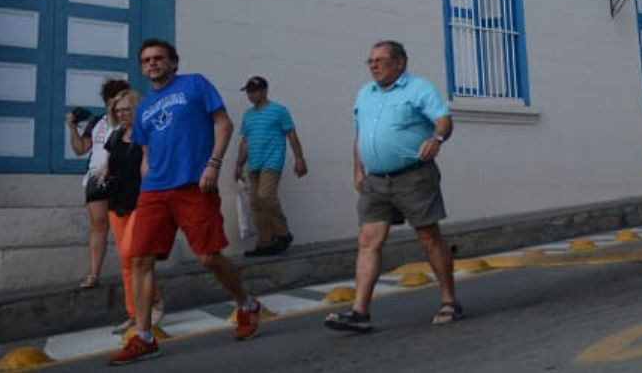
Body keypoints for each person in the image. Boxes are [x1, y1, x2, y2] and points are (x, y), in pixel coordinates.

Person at [107, 39, 262, 365]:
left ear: (173, 62)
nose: (152, 63)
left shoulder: (195, 84)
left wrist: (214, 164)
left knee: (208, 256)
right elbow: (146, 153)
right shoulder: (144, 108)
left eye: (159, 58)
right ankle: (144, 336)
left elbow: (224, 124)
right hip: (154, 191)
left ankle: (247, 304)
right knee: (140, 258)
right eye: (146, 60)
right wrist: (145, 186)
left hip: (194, 184)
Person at [324, 40, 462, 333]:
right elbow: (360, 136)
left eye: (380, 59)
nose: (373, 65)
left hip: (413, 176)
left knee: (428, 237)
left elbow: (444, 121)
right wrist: (358, 170)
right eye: (370, 61)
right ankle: (360, 312)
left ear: (399, 62)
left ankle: (449, 300)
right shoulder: (365, 93)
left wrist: (436, 139)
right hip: (375, 181)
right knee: (368, 241)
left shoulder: (419, 88)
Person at [100, 89, 163, 335]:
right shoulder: (115, 136)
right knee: (126, 262)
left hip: (141, 201)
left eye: (127, 109)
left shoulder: (148, 134)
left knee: (133, 255)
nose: (122, 114)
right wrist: (103, 175)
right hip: (117, 202)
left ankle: (152, 300)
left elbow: (153, 163)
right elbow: (108, 163)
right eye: (118, 111)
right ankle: (134, 312)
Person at [66, 78, 131, 289]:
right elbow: (81, 149)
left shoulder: (131, 122)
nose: (117, 105)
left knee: (126, 227)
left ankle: (133, 275)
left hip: (122, 178)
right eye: (114, 100)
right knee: (98, 225)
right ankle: (94, 274)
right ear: (107, 101)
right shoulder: (96, 122)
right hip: (96, 178)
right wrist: (72, 127)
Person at [234, 76, 309, 257]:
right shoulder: (248, 115)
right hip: (254, 164)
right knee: (256, 204)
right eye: (249, 91)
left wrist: (299, 159)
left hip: (272, 162)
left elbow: (292, 135)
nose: (251, 94)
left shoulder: (279, 110)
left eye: (254, 90)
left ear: (265, 90)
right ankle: (265, 243)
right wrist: (238, 165)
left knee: (265, 195)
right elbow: (244, 142)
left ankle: (283, 233)